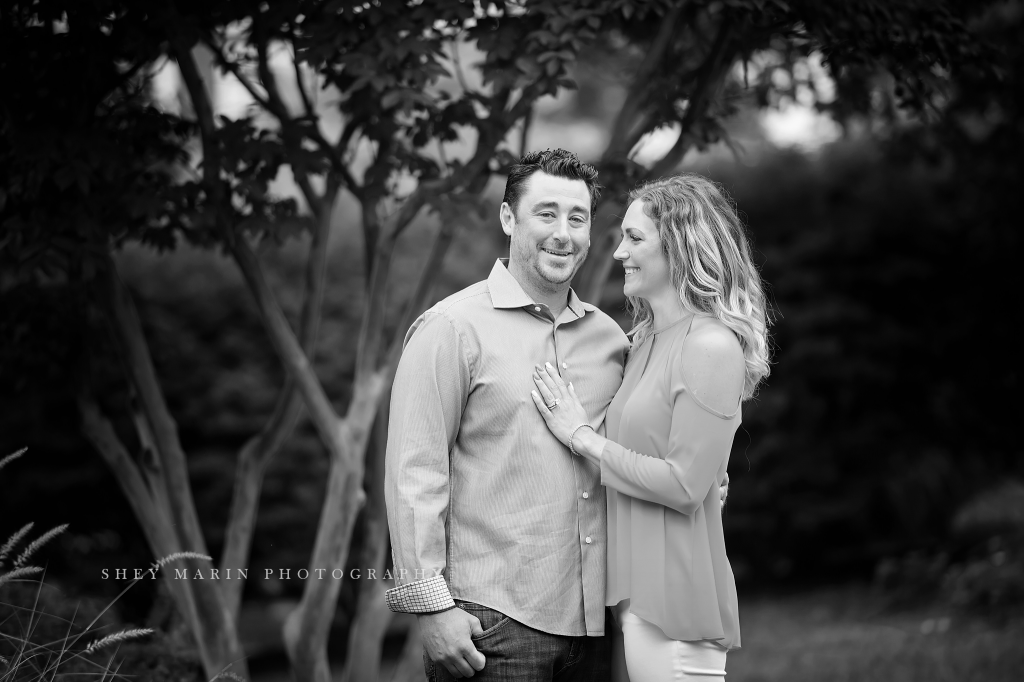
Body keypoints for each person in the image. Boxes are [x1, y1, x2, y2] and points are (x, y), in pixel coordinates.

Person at [383, 148, 628, 681]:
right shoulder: (450, 328)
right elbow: (414, 472)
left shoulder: (611, 339)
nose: (563, 233)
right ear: (508, 218)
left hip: (597, 625)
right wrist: (433, 609)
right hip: (491, 625)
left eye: (577, 217)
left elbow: (633, 450)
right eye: (546, 213)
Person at [530, 174, 770, 682]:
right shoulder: (643, 341)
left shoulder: (709, 345)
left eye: (635, 238)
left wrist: (582, 437)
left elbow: (684, 486)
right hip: (636, 598)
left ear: (681, 248)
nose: (619, 253)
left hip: (675, 604)